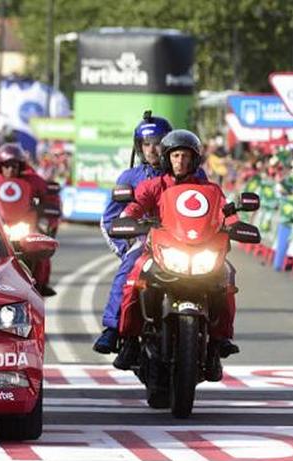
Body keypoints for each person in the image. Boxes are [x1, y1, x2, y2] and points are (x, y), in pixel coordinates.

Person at [116, 129, 238, 378]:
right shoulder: (154, 185)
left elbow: (227, 213)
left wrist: (236, 225)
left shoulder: (211, 190)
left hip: (201, 253)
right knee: (133, 276)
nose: (180, 161)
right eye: (175, 156)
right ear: (167, 159)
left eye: (185, 156)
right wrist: (127, 218)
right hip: (164, 252)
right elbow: (135, 206)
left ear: (194, 160)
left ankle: (218, 342)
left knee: (228, 275)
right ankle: (129, 340)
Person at [94, 112, 176, 357]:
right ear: (139, 147)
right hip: (144, 243)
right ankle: (113, 328)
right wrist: (124, 247)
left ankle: (219, 337)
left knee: (223, 272)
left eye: (158, 142)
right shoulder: (129, 178)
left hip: (186, 242)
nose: (152, 149)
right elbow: (108, 219)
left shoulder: (188, 173)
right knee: (128, 270)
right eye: (146, 144)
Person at [0, 142, 56, 297]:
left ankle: (41, 283)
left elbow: (50, 196)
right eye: (6, 165)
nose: (10, 169)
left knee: (41, 250)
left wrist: (47, 215)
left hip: (24, 226)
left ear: (20, 166)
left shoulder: (33, 180)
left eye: (14, 165)